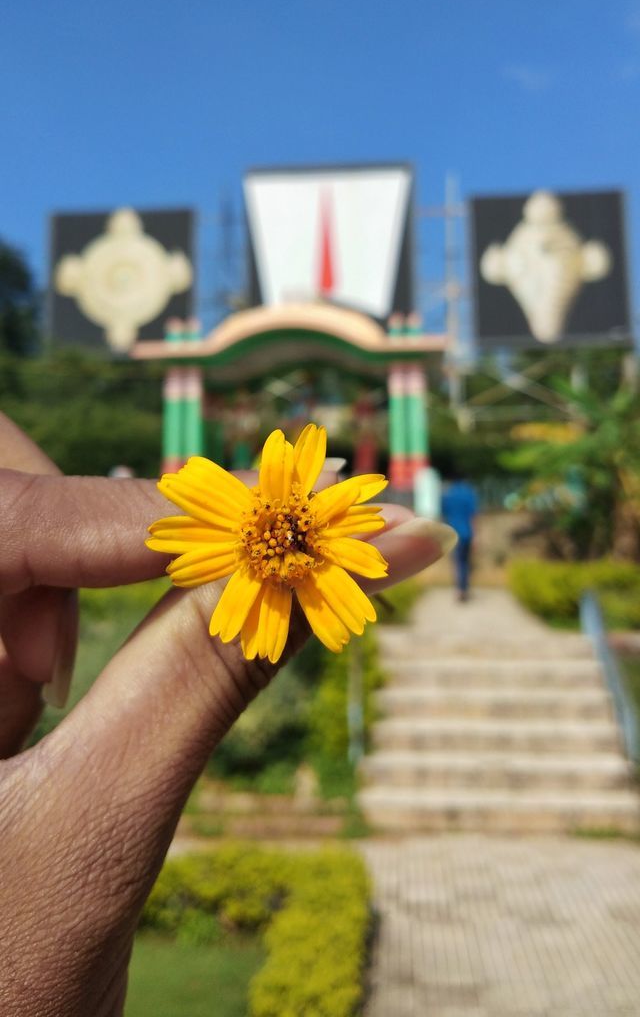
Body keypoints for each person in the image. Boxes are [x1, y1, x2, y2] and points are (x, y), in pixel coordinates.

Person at [0, 411, 451, 1017]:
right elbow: (190, 554)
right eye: (276, 535)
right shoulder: (242, 540)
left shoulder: (308, 541)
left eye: (287, 534)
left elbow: (355, 524)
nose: (282, 539)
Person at [441, 465, 478, 601]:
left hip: (453, 534)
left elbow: (443, 515)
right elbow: (473, 516)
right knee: (465, 562)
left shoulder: (448, 494)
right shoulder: (469, 493)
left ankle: (459, 589)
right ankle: (464, 588)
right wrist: (476, 536)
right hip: (467, 532)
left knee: (457, 562)